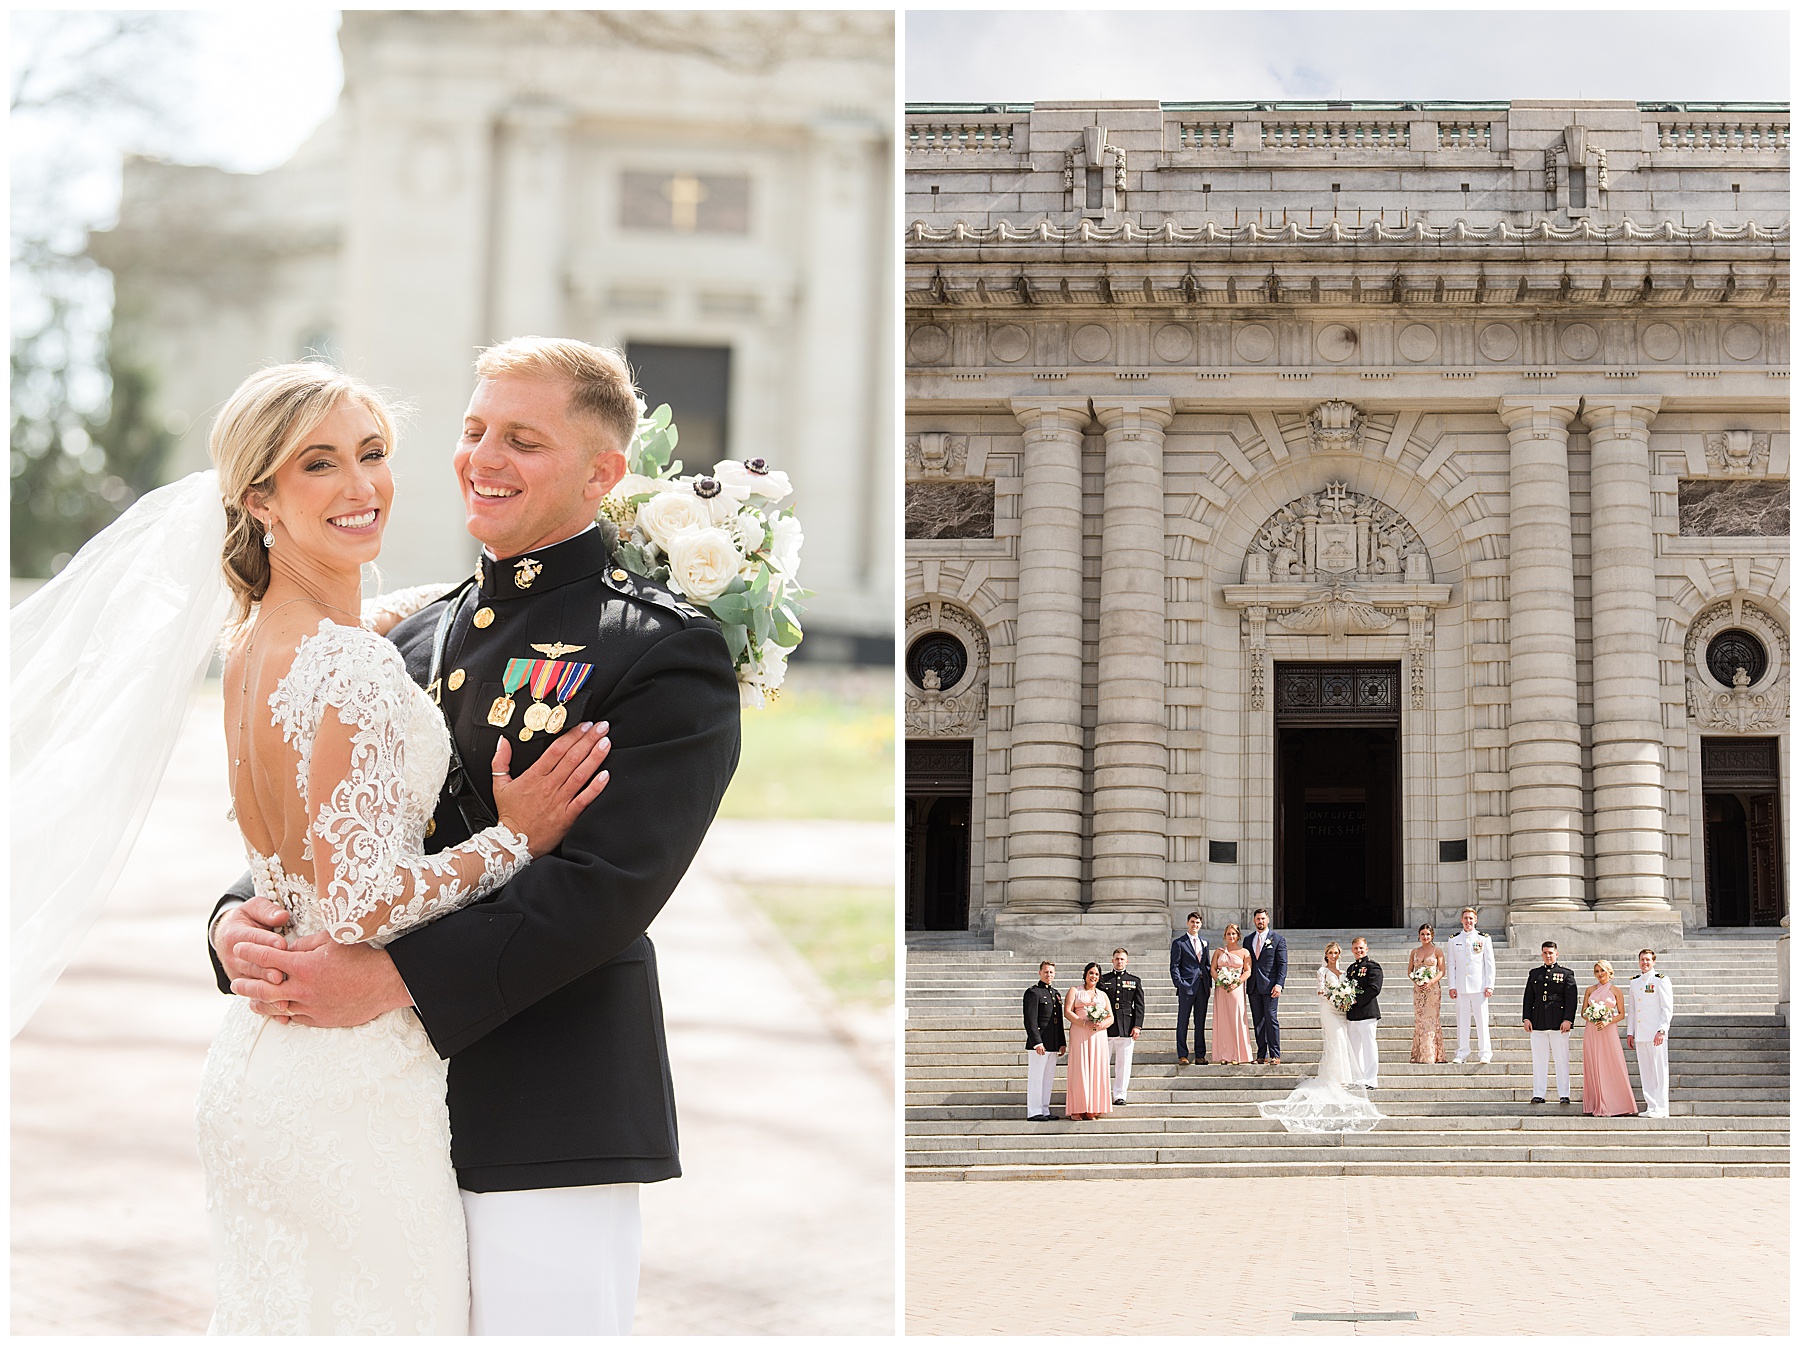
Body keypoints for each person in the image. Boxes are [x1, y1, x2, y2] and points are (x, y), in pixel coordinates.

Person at [209, 341, 742, 1333]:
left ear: (601, 475)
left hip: (541, 1110)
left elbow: (602, 885)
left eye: (522, 440)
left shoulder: (659, 647)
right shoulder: (399, 634)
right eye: (472, 430)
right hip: (369, 1104)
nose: (481, 457)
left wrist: (393, 977)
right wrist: (234, 923)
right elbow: (317, 822)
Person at [1257, 940, 1383, 1133]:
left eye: (1336, 953)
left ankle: (1367, 1078)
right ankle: (1341, 1077)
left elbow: (1372, 988)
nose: (1333, 956)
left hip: (1350, 1012)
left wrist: (1347, 1000)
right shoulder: (1328, 971)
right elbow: (1322, 993)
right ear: (1326, 955)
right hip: (1333, 1011)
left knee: (1357, 1044)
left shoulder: (1355, 970)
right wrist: (1339, 1000)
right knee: (1341, 1042)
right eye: (1331, 953)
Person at [1521, 941, 1579, 1105]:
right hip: (1538, 1021)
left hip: (1558, 1022)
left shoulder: (1566, 974)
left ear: (1557, 954)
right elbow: (1528, 998)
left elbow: (1571, 999)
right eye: (1545, 953)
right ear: (1542, 954)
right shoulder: (1534, 974)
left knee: (1561, 1059)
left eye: (1551, 953)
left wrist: (1568, 1019)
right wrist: (1526, 1018)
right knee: (1539, 1060)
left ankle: (1564, 1094)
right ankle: (1539, 1093)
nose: (1548, 956)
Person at [1579, 960, 1638, 1117]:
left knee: (1613, 1063)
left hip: (1609, 1030)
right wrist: (1593, 1018)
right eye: (1597, 971)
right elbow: (1583, 1012)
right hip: (1592, 1031)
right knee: (1595, 1064)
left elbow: (1621, 1013)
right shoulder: (1590, 990)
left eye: (1602, 971)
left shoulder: (1616, 990)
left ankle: (1618, 1103)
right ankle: (1596, 1103)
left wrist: (1605, 1021)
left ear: (1609, 972)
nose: (1600, 974)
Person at [1626, 948, 1676, 1118]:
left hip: (1656, 1033)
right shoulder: (1634, 982)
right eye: (1642, 959)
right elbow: (1632, 1009)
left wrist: (1662, 1030)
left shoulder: (1661, 980)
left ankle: (1662, 1108)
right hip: (1640, 1034)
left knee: (1659, 1071)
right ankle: (1651, 1106)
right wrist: (1630, 1032)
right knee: (1646, 1071)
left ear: (1654, 962)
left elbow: (1666, 1008)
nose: (1645, 963)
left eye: (1648, 960)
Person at [1444, 906, 1496, 1064]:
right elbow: (1451, 964)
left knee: (1482, 1021)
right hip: (1461, 987)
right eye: (1465, 918)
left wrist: (1490, 985)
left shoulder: (1484, 938)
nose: (1468, 921)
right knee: (1462, 1022)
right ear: (1461, 920)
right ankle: (1462, 1052)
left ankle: (1485, 1053)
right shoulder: (1454, 939)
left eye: (1471, 918)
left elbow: (1489, 964)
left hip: (1479, 987)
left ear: (1476, 920)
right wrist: (1452, 986)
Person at [1063, 963, 1114, 1120]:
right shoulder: (1075, 991)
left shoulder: (1102, 995)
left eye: (1097, 974)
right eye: (1091, 973)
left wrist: (1100, 1026)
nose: (1094, 976)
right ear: (1085, 974)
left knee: (1096, 1069)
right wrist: (1084, 1023)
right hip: (1080, 1032)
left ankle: (1092, 1107)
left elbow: (1110, 1017)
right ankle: (1077, 1108)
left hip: (1097, 1036)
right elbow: (1067, 1011)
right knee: (1080, 1069)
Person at [1097, 948, 1145, 1105]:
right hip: (1107, 1027)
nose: (1119, 961)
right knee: (1102, 1062)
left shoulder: (1134, 980)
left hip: (1126, 1026)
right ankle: (1102, 1093)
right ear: (1112, 961)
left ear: (1127, 961)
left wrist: (1137, 1026)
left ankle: (1120, 1095)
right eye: (1117, 959)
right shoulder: (1103, 980)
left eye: (1122, 959)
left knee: (1123, 1064)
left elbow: (1139, 1005)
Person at [1022, 961, 1067, 1121]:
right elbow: (1030, 1020)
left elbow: (1058, 1021)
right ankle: (1034, 1111)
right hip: (1039, 1044)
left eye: (1051, 972)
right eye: (1046, 972)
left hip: (1053, 1043)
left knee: (1048, 1078)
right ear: (1040, 973)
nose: (1049, 975)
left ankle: (1044, 1109)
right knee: (1036, 1077)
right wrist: (1036, 1042)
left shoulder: (1055, 994)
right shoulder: (1033, 993)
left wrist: (1062, 1042)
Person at [1245, 907, 1288, 1065]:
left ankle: (1275, 1054)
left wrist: (1279, 984)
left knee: (1271, 1018)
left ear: (1268, 920)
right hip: (1253, 986)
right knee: (1258, 1021)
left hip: (1271, 986)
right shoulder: (1248, 940)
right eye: (1257, 919)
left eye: (1263, 918)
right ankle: (1261, 1054)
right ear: (1254, 921)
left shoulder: (1277, 939)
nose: (1260, 921)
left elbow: (1282, 964)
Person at [1209, 924, 1255, 1064]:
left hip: (1236, 989)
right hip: (1221, 989)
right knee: (1223, 1021)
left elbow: (1248, 971)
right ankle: (1224, 1054)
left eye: (1234, 934)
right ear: (1225, 936)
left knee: (1236, 1020)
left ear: (1238, 936)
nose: (1231, 936)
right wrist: (1220, 981)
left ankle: (1237, 1055)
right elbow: (1212, 969)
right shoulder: (1218, 952)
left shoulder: (1244, 952)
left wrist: (1237, 982)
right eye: (1229, 934)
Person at [1169, 912, 1211, 1066]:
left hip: (1202, 988)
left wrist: (1209, 985)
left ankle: (1200, 1054)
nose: (1195, 925)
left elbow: (1206, 965)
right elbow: (1174, 967)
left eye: (1198, 922)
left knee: (1200, 1022)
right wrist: (1180, 984)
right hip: (1186, 987)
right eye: (1192, 922)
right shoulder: (1179, 943)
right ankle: (1182, 1054)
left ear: (1201, 925)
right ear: (1187, 923)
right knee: (1183, 1021)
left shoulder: (1205, 942)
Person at [1342, 937, 1383, 1088]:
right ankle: (1357, 1078)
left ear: (1367, 949)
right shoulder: (1351, 969)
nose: (1358, 951)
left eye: (1361, 948)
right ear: (1352, 950)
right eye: (1356, 948)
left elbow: (1375, 988)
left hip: (1367, 1013)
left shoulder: (1373, 967)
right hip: (1353, 1015)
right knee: (1354, 1048)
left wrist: (1357, 1000)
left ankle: (1371, 1079)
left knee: (1369, 1047)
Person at [1408, 923, 1448, 1064]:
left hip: (1433, 990)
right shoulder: (1414, 952)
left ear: (1432, 936)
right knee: (1420, 1021)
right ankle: (1420, 1054)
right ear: (1419, 936)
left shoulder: (1437, 951)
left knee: (1431, 1020)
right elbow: (1409, 971)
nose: (1425, 937)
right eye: (1423, 934)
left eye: (1428, 934)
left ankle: (1433, 1055)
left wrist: (1430, 982)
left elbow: (1442, 971)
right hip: (1419, 991)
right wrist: (1417, 982)